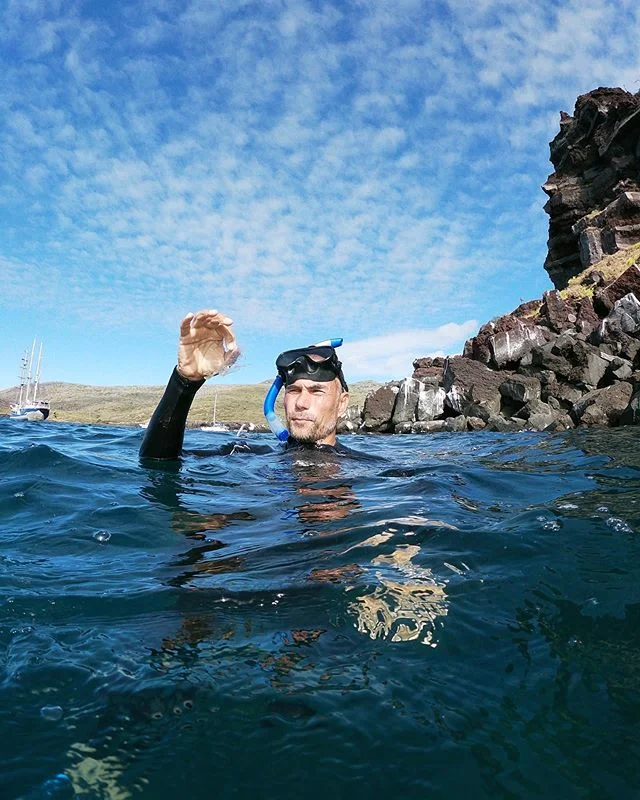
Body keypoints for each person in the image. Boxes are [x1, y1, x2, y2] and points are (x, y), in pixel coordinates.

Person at [140, 309, 351, 460]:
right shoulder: (245, 454)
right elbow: (157, 461)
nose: (301, 403)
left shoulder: (372, 471)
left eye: (317, 391)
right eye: (294, 390)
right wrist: (185, 382)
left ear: (342, 404)